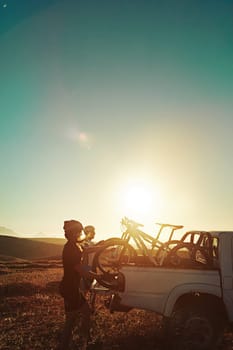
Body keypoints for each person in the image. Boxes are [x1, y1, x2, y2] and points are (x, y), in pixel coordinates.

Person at [59, 219, 97, 350]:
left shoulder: (72, 245)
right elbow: (78, 267)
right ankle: (81, 342)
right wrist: (95, 275)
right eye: (79, 231)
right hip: (70, 289)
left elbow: (85, 249)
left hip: (70, 288)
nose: (81, 233)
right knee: (71, 320)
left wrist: (101, 246)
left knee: (82, 313)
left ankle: (84, 339)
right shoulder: (71, 248)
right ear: (74, 233)